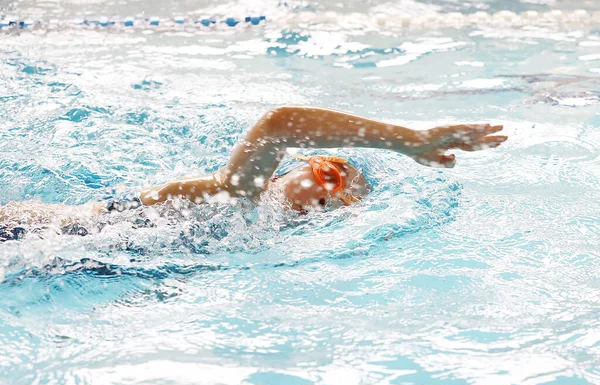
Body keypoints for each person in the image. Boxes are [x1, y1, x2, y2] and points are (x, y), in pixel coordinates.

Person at [0, 106, 506, 237]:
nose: (329, 199)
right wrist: (411, 141)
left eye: (344, 204)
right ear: (299, 166)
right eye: (332, 177)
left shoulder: (259, 235)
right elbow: (279, 123)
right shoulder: (237, 195)